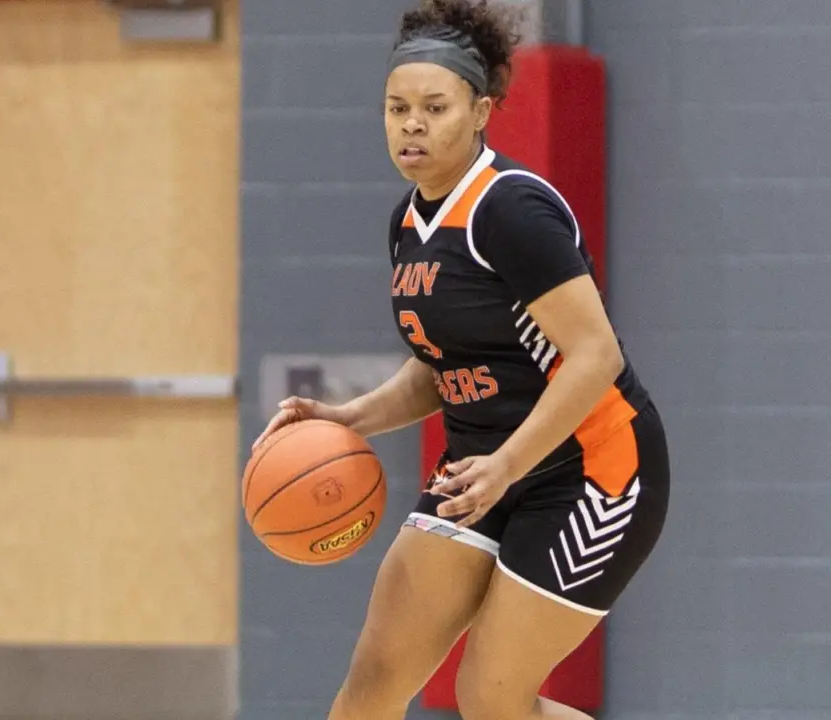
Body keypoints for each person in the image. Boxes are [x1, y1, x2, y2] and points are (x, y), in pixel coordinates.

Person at [253, 1, 670, 717]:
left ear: (480, 112)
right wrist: (350, 417)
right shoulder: (408, 223)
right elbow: (439, 365)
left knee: (490, 700)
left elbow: (595, 355)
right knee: (371, 685)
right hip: (480, 470)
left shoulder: (511, 209)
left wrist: (506, 465)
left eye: (434, 107)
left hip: (593, 471)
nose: (412, 124)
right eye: (397, 108)